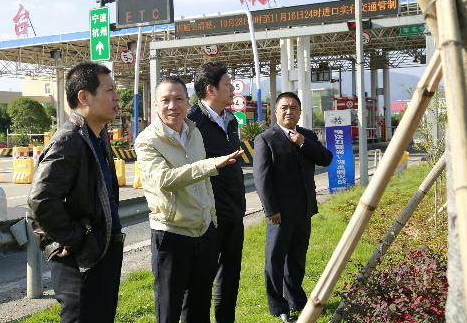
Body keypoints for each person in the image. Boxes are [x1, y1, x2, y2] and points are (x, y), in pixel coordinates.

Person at [134, 76, 243, 323]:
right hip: (171, 233)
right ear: (155, 104)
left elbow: (203, 184)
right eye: (166, 100)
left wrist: (211, 218)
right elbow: (164, 179)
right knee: (169, 310)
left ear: (188, 102)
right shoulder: (147, 140)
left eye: (179, 99)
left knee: (199, 309)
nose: (173, 106)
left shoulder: (194, 132)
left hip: (203, 231)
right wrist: (211, 165)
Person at [28, 62, 123, 323]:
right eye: (109, 90)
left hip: (101, 253)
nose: (116, 97)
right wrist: (75, 238)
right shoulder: (69, 139)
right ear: (84, 97)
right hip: (80, 261)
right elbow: (41, 199)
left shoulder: (97, 136)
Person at [253, 92, 332, 323]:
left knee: (297, 259)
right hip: (279, 213)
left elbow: (325, 158)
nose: (289, 112)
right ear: (275, 112)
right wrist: (271, 210)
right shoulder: (266, 139)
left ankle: (296, 300)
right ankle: (278, 306)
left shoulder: (307, 135)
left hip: (304, 210)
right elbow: (262, 178)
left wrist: (303, 143)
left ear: (300, 112)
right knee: (275, 259)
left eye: (294, 108)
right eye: (284, 107)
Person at [187, 62, 245, 323]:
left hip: (233, 210)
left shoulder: (230, 120)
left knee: (230, 276)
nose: (232, 88)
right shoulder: (191, 122)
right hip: (207, 215)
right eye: (227, 84)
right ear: (210, 89)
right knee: (201, 280)